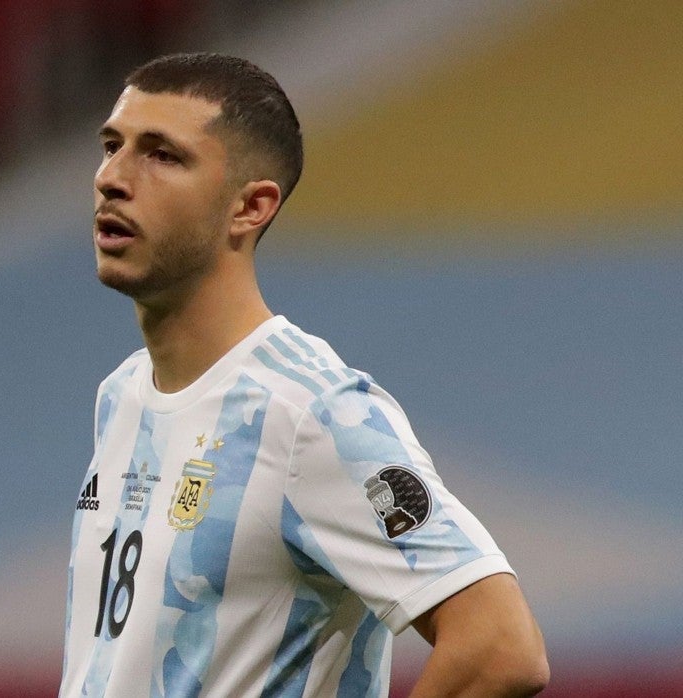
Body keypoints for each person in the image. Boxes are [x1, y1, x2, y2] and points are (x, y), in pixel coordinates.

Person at [60, 53, 548, 697]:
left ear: (251, 207)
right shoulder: (121, 394)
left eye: (162, 155)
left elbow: (500, 650)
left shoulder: (312, 412)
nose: (113, 178)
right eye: (111, 145)